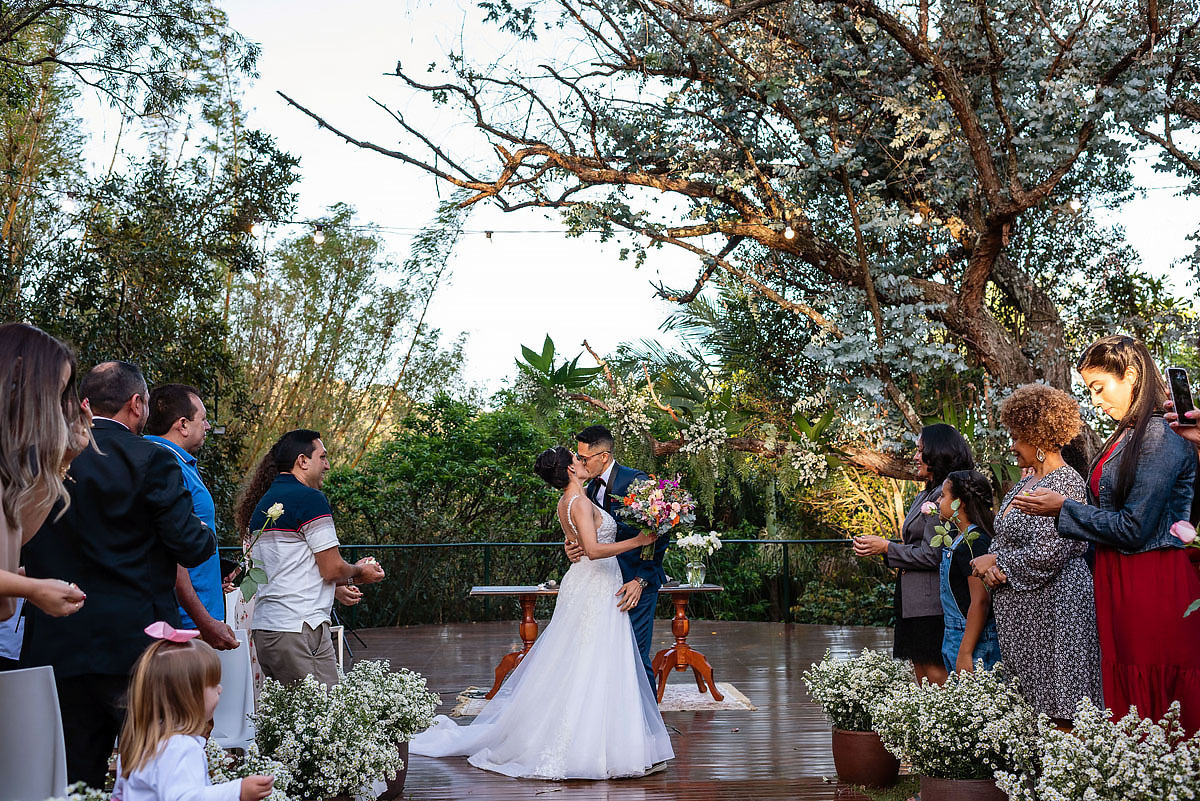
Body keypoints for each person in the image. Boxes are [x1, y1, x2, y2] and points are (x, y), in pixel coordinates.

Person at [410, 446, 674, 779]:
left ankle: (612, 739)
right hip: (594, 584)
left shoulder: (570, 500)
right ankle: (596, 745)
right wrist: (638, 541)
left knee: (592, 663)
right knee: (593, 662)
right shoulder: (577, 501)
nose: (582, 462)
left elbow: (580, 542)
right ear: (568, 470)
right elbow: (592, 550)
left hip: (592, 583)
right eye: (577, 460)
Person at [21, 360, 216, 787]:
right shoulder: (151, 460)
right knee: (153, 775)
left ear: (85, 402)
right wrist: (203, 532)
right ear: (137, 404)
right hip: (136, 650)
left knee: (73, 780)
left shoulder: (44, 460)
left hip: (57, 644)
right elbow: (190, 545)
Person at [1011, 335, 1200, 733]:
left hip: (1152, 581)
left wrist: (1064, 508)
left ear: (1131, 374)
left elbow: (1134, 528)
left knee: (1157, 704)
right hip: (1117, 581)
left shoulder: (1160, 433)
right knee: (1127, 702)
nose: (1095, 401)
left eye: (1099, 388)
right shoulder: (1126, 434)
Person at [970, 384, 1101, 725]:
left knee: (1061, 702)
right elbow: (1003, 533)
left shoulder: (1066, 483)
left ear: (1037, 436)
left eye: (1017, 437)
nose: (1012, 446)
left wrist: (997, 563)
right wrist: (990, 567)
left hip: (1056, 607)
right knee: (1030, 705)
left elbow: (1053, 549)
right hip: (1022, 612)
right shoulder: (1024, 482)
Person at [234, 429, 384, 687]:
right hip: (300, 629)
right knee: (326, 718)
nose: (327, 465)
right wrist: (360, 572)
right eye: (322, 457)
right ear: (302, 461)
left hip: (267, 630)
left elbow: (288, 569)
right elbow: (332, 568)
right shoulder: (310, 499)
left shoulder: (263, 505)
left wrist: (335, 588)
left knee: (291, 722)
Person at [853, 423, 974, 685]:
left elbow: (933, 554)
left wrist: (886, 548)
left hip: (932, 604)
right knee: (920, 672)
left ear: (937, 453)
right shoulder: (925, 493)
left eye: (921, 451)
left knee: (934, 674)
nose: (915, 457)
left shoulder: (947, 495)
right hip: (912, 599)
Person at [112, 622, 274, 801]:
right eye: (213, 685)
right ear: (189, 696)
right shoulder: (180, 747)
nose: (220, 689)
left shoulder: (141, 739)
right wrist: (238, 791)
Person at [565, 424, 667, 693]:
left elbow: (661, 531)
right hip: (605, 585)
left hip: (635, 585)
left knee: (635, 655)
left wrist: (641, 580)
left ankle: (648, 726)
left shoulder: (637, 482)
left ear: (604, 457)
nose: (580, 463)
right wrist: (573, 547)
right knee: (611, 658)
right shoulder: (588, 491)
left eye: (584, 458)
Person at [0, 323, 89, 621]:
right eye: (57, 392)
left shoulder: (9, 462)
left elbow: (16, 537)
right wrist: (31, 588)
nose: (61, 409)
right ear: (17, 375)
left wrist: (65, 458)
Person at [144, 384, 238, 651]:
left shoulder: (176, 462)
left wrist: (213, 568)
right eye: (203, 418)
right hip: (187, 626)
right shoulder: (165, 466)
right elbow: (171, 552)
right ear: (182, 425)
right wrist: (204, 621)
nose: (207, 426)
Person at [936, 470, 1001, 673]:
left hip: (973, 641)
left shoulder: (974, 543)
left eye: (943, 496)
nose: (938, 501)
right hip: (953, 634)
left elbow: (980, 601)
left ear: (960, 503)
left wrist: (965, 652)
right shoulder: (958, 539)